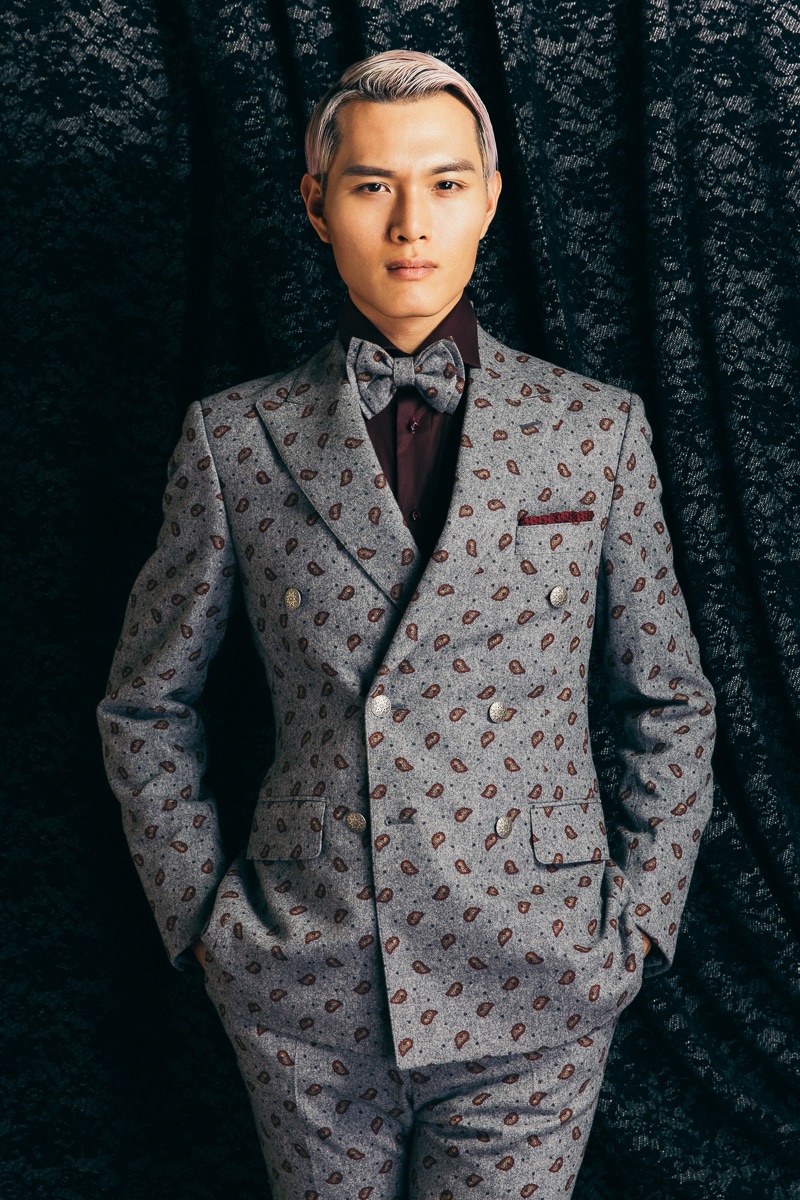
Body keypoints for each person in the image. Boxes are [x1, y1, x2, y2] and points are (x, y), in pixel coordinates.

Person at [98, 49, 716, 1200]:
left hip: (538, 975)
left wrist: (634, 924)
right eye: (371, 185)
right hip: (306, 982)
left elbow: (667, 697)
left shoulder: (594, 431)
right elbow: (145, 701)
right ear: (315, 203)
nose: (408, 224)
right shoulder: (235, 439)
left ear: (488, 199)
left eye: (442, 184)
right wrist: (206, 920)